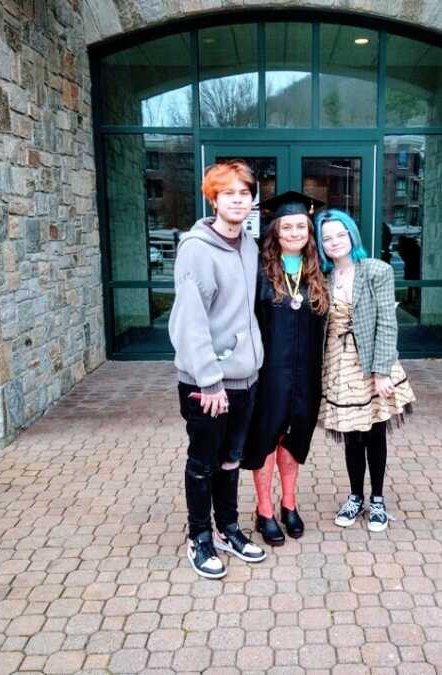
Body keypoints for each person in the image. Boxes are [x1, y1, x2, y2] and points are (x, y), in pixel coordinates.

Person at [168, 160, 267, 579]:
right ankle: (199, 537)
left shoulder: (248, 244)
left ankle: (227, 528)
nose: (238, 200)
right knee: (203, 461)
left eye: (244, 193)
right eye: (229, 193)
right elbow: (190, 322)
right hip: (209, 384)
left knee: (231, 459)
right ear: (214, 197)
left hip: (246, 378)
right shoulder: (196, 248)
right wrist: (209, 381)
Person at [315, 209, 416, 533]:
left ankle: (377, 500)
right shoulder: (321, 276)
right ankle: (355, 495)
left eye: (339, 235)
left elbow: (387, 322)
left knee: (374, 433)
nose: (334, 242)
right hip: (336, 365)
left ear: (352, 236)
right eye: (327, 237)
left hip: (371, 363)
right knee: (351, 436)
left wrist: (381, 371)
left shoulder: (376, 271)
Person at [242, 191, 329, 546]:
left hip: (307, 372)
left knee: (295, 439)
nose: (294, 233)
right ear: (275, 231)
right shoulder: (258, 271)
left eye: (301, 227)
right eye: (287, 226)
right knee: (265, 440)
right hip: (268, 372)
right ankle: (264, 511)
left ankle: (289, 503)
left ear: (309, 232)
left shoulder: (319, 271)